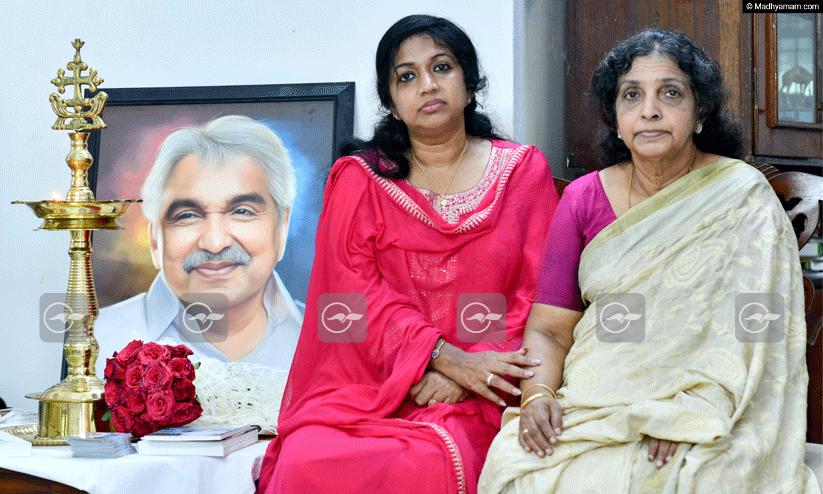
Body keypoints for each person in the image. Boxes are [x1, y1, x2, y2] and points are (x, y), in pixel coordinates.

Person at [479, 29, 820, 493]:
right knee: (518, 464)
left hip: (716, 404)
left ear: (700, 113)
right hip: (598, 399)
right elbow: (549, 330)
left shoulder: (742, 196)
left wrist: (696, 408)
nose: (650, 110)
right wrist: (538, 397)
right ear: (615, 118)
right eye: (632, 95)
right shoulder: (583, 198)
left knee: (701, 476)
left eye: (671, 93)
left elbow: (761, 324)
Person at [257, 15, 558, 494]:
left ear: (469, 85)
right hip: (373, 383)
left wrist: (470, 372)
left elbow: (538, 291)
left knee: (423, 460)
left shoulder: (522, 171)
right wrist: (439, 357)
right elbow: (352, 296)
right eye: (407, 76)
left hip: (487, 385)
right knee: (306, 457)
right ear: (392, 103)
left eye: (441, 67)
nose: (427, 85)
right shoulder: (360, 179)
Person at [94, 115, 303, 376]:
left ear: (282, 227)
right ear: (155, 240)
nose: (214, 243)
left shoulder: (330, 342)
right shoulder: (98, 340)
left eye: (242, 211)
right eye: (187, 216)